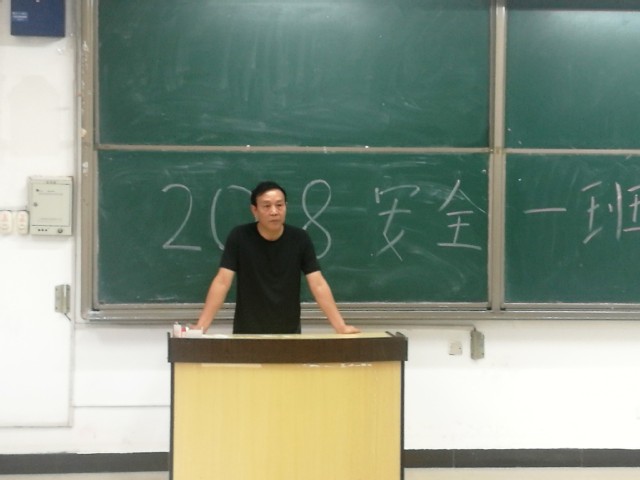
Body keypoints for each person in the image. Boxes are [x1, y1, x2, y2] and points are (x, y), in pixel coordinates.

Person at [195, 180, 360, 335]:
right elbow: (222, 281)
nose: (274, 211)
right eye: (266, 206)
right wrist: (201, 327)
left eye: (279, 205)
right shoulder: (240, 236)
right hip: (247, 333)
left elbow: (318, 283)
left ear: (286, 206)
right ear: (254, 210)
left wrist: (340, 326)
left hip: (288, 333)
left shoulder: (299, 238)